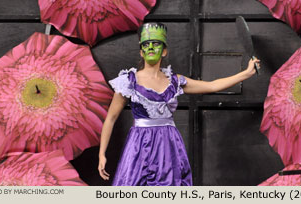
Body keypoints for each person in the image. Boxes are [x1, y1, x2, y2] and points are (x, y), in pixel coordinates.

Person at [98, 22, 260, 186]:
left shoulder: (175, 81)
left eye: (156, 44)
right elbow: (111, 118)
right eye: (146, 45)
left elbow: (212, 85)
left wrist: (245, 74)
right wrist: (102, 153)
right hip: (140, 145)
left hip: (168, 146)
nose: (151, 48)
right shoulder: (128, 81)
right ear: (141, 52)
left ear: (164, 51)